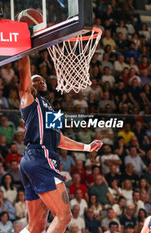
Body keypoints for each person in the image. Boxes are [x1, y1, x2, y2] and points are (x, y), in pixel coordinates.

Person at [18, 56, 103, 233]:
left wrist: (87, 147)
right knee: (64, 216)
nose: (40, 81)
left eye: (42, 80)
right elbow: (23, 73)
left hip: (33, 161)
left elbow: (61, 139)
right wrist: (24, 51)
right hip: (40, 156)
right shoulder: (30, 101)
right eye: (35, 80)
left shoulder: (51, 110)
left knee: (36, 227)